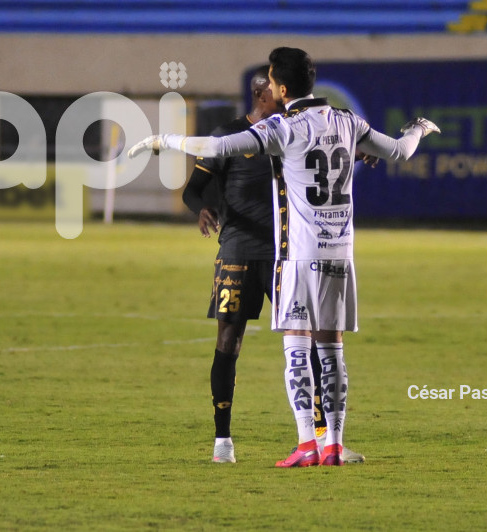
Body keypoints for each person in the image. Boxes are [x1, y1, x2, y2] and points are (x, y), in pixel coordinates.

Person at [129, 47, 439, 467]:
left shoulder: (282, 128)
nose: (268, 87)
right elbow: (401, 151)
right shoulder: (348, 121)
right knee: (332, 351)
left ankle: (307, 444)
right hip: (340, 254)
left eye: (272, 81)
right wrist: (418, 128)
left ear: (283, 88)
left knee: (297, 349)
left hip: (297, 256)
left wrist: (162, 140)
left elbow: (217, 146)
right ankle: (332, 444)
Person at [181, 65, 366, 464]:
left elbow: (330, 149)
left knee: (315, 344)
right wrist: (204, 209)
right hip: (238, 252)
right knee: (228, 343)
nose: (286, 101)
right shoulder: (229, 137)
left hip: (290, 255)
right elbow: (193, 190)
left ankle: (323, 438)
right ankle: (222, 441)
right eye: (279, 97)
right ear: (263, 95)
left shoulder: (292, 131)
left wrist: (359, 148)